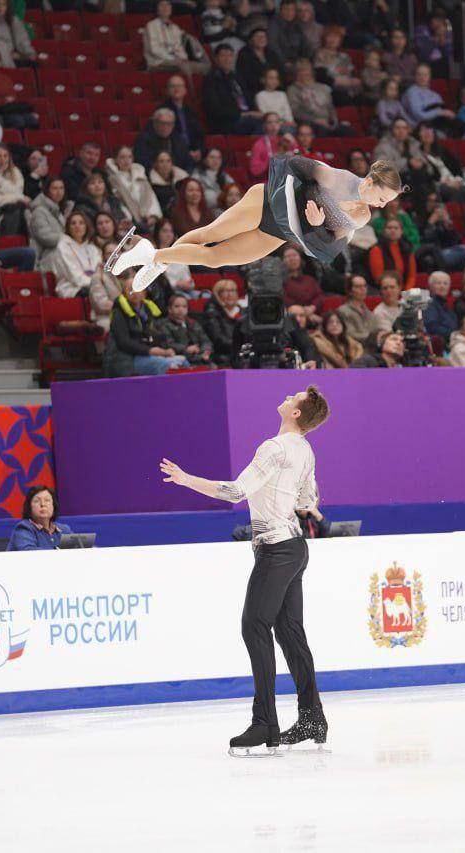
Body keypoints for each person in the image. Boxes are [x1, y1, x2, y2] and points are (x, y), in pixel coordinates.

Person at [159, 387, 330, 753]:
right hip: (296, 546)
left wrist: (187, 479)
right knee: (288, 631)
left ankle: (265, 723)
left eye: (295, 396)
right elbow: (308, 501)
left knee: (254, 626)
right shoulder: (305, 450)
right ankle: (312, 716)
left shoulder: (274, 447)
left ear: (297, 413)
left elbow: (236, 492)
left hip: (275, 548)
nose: (288, 395)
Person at [111, 155, 402, 292]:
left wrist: (316, 224)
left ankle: (153, 257)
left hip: (277, 232)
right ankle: (153, 259)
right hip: (265, 203)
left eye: (387, 202)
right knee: (208, 235)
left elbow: (332, 246)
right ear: (370, 181)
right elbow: (293, 164)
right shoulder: (338, 178)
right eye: (382, 197)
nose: (383, 205)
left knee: (215, 259)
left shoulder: (363, 216)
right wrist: (311, 214)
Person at [103, 280, 189, 377]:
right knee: (164, 365)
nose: (135, 292)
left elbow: (154, 336)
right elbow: (124, 342)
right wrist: (150, 351)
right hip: (126, 359)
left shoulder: (147, 310)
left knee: (183, 361)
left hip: (147, 355)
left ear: (144, 292)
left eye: (138, 289)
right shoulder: (118, 313)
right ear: (124, 293)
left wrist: (165, 350)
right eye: (130, 289)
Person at [153, 293, 213, 366]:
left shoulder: (193, 323)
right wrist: (186, 349)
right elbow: (168, 343)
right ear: (169, 309)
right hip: (179, 358)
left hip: (199, 357)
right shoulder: (162, 324)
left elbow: (206, 341)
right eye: (177, 306)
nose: (181, 309)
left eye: (184, 307)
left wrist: (205, 351)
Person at [7, 486, 72, 550]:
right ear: (29, 507)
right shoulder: (24, 528)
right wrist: (57, 551)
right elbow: (28, 553)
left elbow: (78, 548)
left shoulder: (64, 530)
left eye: (47, 500)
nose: (43, 504)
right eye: (37, 501)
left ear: (54, 506)